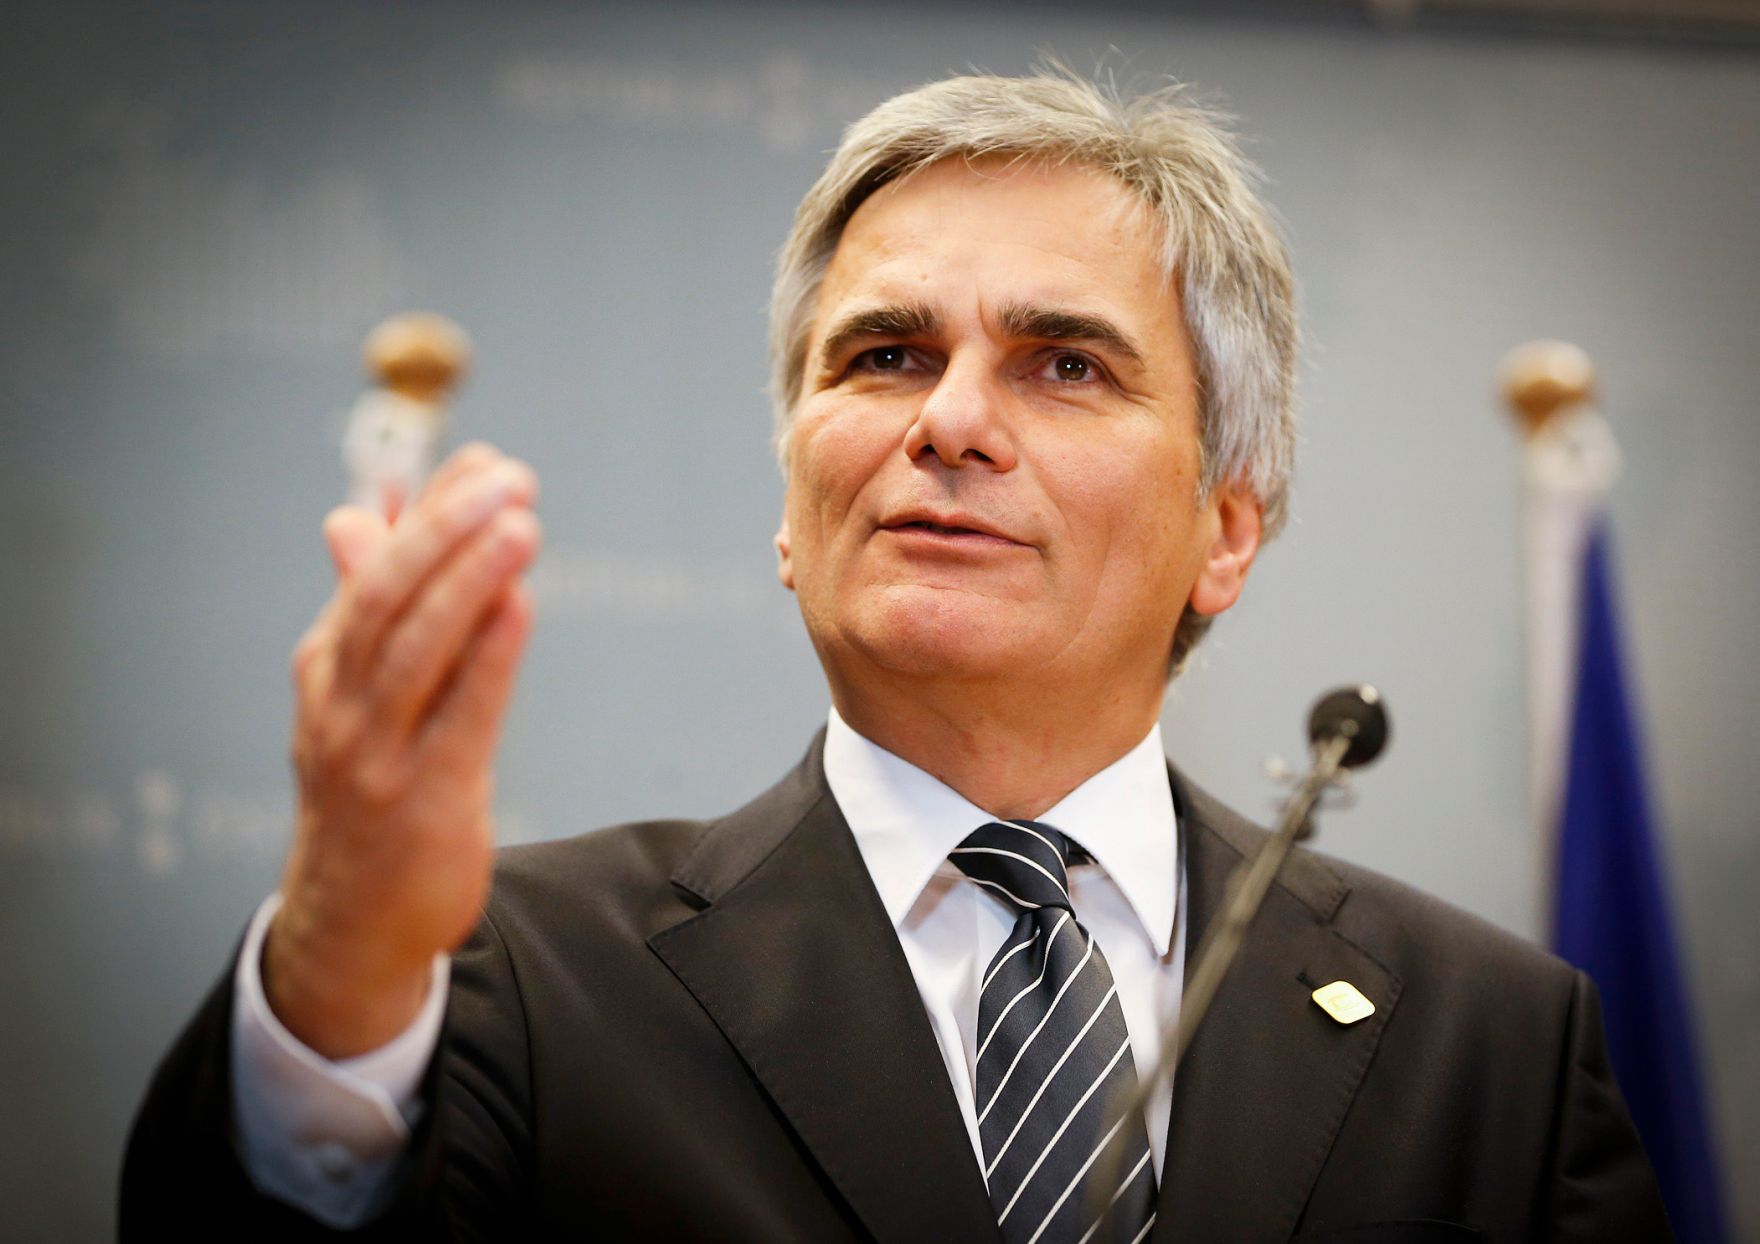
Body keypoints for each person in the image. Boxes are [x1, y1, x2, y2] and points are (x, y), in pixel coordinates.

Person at [122, 72, 1669, 1241]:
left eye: (1066, 364)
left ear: (1227, 529)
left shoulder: (1493, 1045)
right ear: (795, 505)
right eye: (886, 356)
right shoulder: (505, 978)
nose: (948, 420)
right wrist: (336, 944)